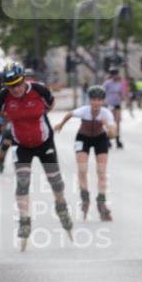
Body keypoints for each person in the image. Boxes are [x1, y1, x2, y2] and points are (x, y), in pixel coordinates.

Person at [0, 62, 73, 248]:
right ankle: (24, 220)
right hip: (21, 144)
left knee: (55, 181)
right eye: (10, 86)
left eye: (18, 83)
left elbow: (51, 104)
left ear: (24, 79)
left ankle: (61, 206)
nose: (15, 89)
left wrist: (36, 115)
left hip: (44, 142)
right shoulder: (3, 97)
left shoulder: (39, 90)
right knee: (22, 181)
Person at [54, 85, 116, 220]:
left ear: (103, 101)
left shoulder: (106, 113)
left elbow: (112, 135)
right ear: (89, 100)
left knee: (101, 172)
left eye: (99, 100)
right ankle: (85, 196)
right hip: (83, 138)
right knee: (82, 169)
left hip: (100, 138)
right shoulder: (84, 110)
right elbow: (69, 114)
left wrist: (106, 125)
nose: (96, 103)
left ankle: (101, 202)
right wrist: (61, 124)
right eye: (93, 99)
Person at [102, 68, 125, 148]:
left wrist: (123, 97)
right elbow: (102, 92)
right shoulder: (107, 83)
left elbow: (121, 92)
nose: (117, 76)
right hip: (109, 104)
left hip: (117, 103)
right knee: (109, 121)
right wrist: (103, 102)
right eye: (115, 74)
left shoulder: (119, 83)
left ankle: (118, 139)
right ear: (112, 75)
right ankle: (108, 138)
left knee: (118, 121)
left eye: (117, 74)